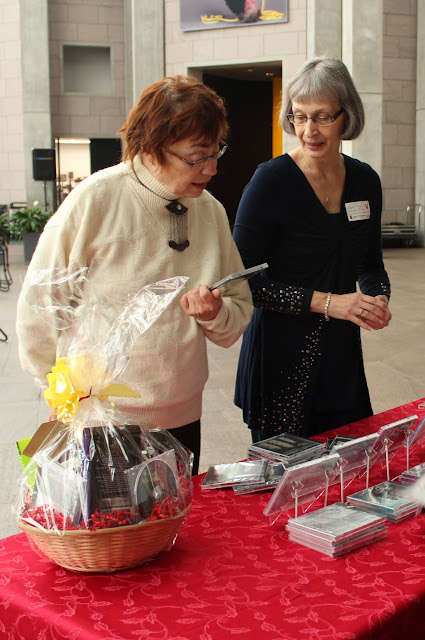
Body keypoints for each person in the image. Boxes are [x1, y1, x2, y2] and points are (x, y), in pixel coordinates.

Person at [16, 75, 253, 475]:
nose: (211, 169)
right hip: (102, 417)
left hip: (182, 412)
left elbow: (237, 311)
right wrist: (59, 397)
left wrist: (213, 313)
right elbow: (39, 308)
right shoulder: (96, 199)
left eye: (216, 153)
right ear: (152, 148)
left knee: (174, 527)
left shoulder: (210, 211)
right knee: (112, 534)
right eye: (196, 157)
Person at [233, 56, 392, 443]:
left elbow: (370, 262)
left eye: (322, 117)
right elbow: (241, 282)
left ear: (345, 116)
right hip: (280, 356)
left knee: (347, 473)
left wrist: (377, 297)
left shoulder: (364, 180)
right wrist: (330, 303)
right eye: (300, 116)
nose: (309, 130)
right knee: (285, 486)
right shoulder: (270, 181)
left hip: (340, 353)